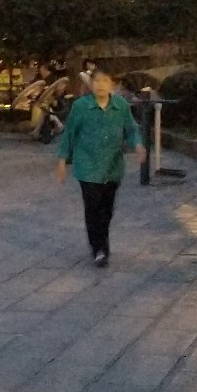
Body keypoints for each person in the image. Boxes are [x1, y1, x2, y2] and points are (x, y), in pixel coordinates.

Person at [56, 66, 146, 266]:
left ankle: (101, 244)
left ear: (112, 84)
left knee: (107, 210)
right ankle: (99, 249)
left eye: (105, 81)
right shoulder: (81, 106)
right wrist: (62, 160)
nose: (100, 85)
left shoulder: (121, 105)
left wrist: (138, 145)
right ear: (91, 84)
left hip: (112, 167)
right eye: (96, 81)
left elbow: (131, 129)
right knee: (93, 208)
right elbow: (70, 133)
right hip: (87, 166)